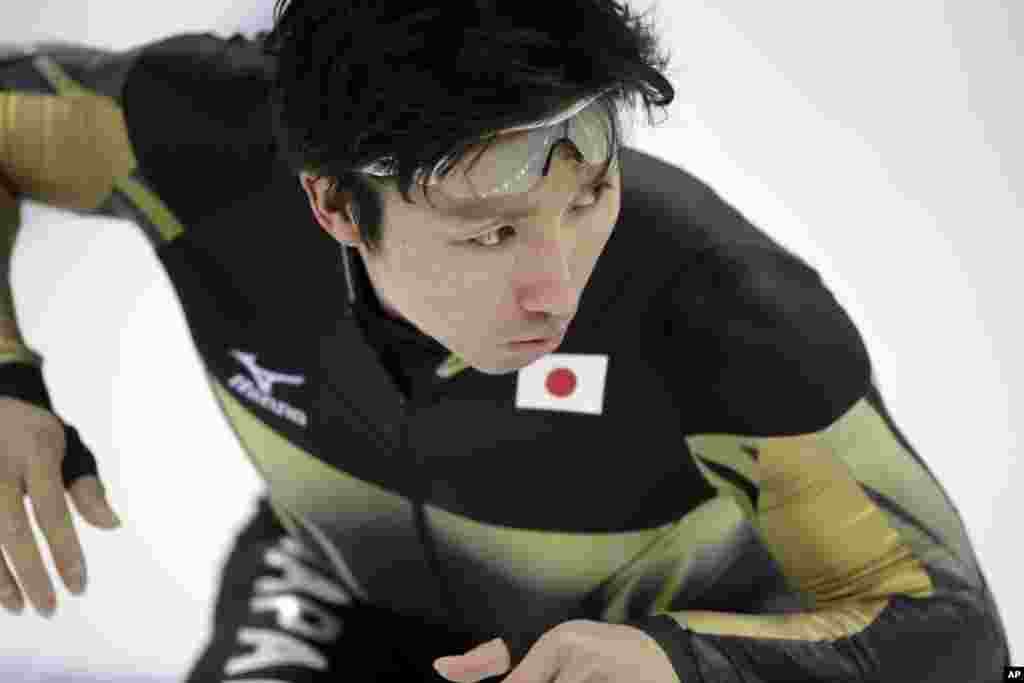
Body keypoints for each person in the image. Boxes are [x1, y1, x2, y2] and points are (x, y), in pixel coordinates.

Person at [0, 1, 1011, 681]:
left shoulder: (720, 305)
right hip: (343, 591)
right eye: (489, 231)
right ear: (335, 205)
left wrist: (680, 663)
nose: (557, 281)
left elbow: (954, 634)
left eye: (590, 192)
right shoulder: (199, 141)